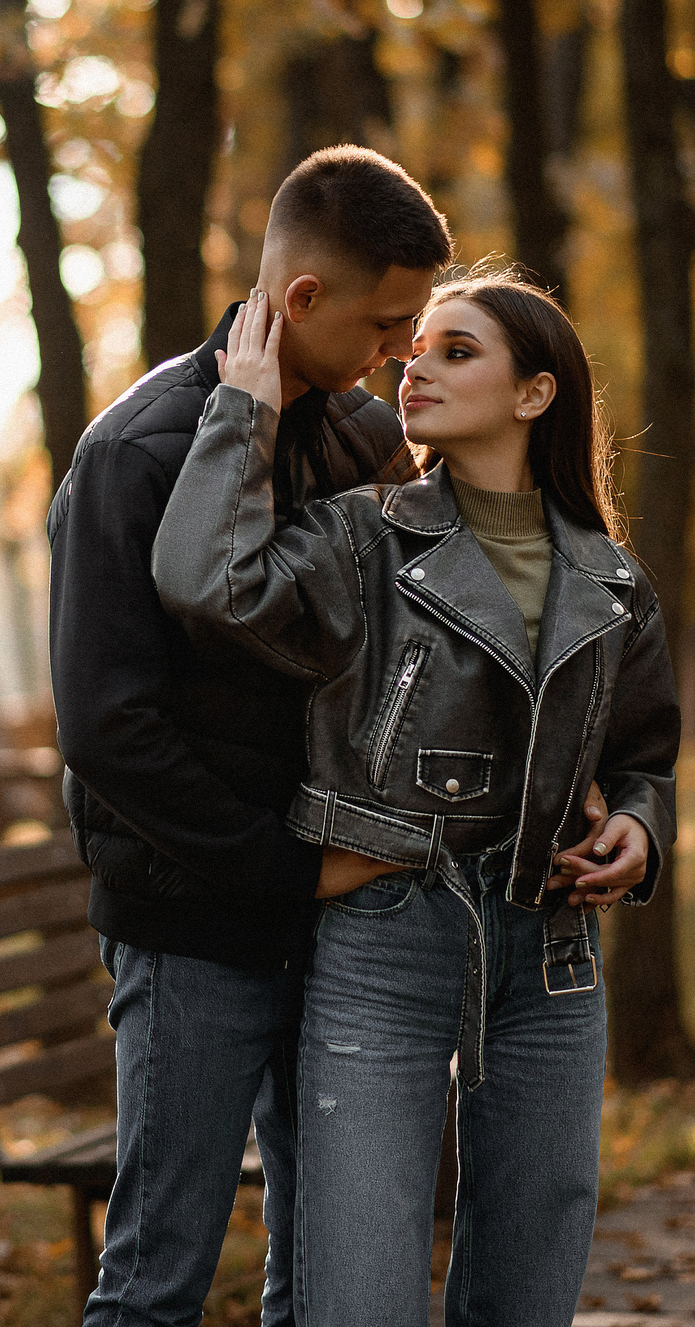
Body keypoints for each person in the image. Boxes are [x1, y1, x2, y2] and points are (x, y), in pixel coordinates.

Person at [151, 271, 681, 1327]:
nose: (413, 367)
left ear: (534, 395)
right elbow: (202, 578)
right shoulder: (361, 538)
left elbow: (643, 755)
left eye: (455, 350)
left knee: (527, 1294)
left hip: (553, 957)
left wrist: (637, 827)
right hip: (383, 936)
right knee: (354, 1296)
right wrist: (240, 413)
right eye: (414, 348)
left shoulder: (613, 580)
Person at [48, 146, 450, 1326]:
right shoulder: (136, 452)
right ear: (304, 301)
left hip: (339, 929)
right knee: (156, 1280)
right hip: (194, 934)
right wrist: (282, 872)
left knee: (319, 1273)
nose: (398, 351)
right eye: (387, 322)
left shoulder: (360, 434)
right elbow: (107, 727)